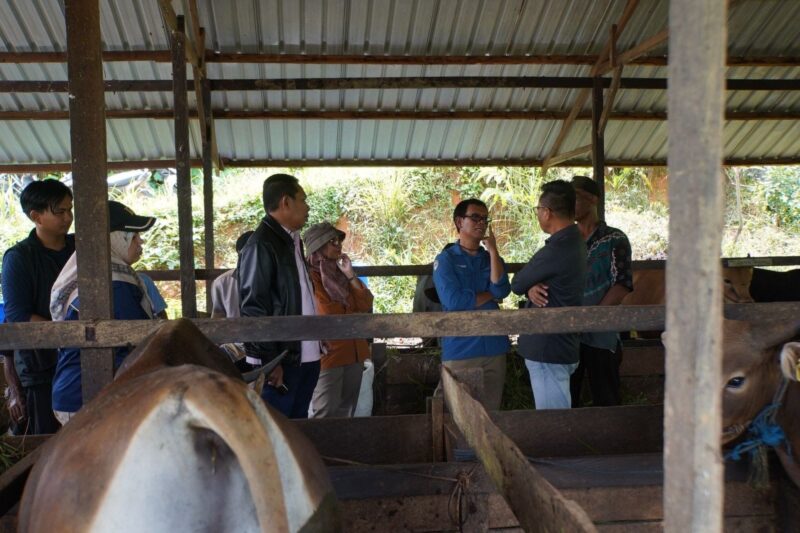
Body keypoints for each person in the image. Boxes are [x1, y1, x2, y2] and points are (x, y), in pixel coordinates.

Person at [49, 201, 157, 424]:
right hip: (88, 396)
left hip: (75, 391)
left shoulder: (98, 274)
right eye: (134, 236)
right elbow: (143, 340)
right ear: (116, 238)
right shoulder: (115, 283)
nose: (140, 241)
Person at [238, 173, 320, 419]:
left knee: (298, 423)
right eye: (303, 200)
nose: (307, 207)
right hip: (282, 361)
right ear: (286, 202)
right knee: (277, 427)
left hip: (303, 354)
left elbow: (300, 296)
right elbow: (254, 307)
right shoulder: (261, 244)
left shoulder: (291, 241)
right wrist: (270, 362)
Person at [1, 180, 75, 434]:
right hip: (41, 366)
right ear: (36, 216)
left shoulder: (82, 249)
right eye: (60, 211)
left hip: (80, 360)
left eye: (70, 209)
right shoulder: (19, 258)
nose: (69, 217)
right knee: (44, 440)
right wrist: (70, 334)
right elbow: (17, 314)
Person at [511, 180, 586, 410]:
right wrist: (533, 286)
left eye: (538, 210)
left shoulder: (555, 250)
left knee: (553, 421)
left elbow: (517, 283)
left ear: (547, 213)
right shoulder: (576, 243)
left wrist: (529, 284)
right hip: (563, 343)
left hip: (548, 347)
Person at [432, 199, 510, 410]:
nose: (481, 223)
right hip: (461, 348)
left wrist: (493, 252)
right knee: (461, 419)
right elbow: (453, 301)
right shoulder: (446, 260)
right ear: (459, 222)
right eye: (475, 217)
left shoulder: (490, 258)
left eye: (485, 218)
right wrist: (489, 294)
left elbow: (502, 290)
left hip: (495, 346)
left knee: (491, 414)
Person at [570, 176, 633, 406]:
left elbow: (622, 284)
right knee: (568, 397)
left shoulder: (614, 239)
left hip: (603, 334)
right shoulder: (565, 241)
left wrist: (594, 318)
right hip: (569, 333)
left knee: (606, 396)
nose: (571, 204)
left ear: (593, 199)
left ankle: (612, 439)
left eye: (575, 197)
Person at [303, 222, 374, 418]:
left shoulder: (341, 274)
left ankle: (340, 449)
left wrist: (350, 275)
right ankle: (318, 450)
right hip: (329, 354)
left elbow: (366, 303)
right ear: (318, 248)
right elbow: (326, 312)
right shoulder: (310, 278)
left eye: (338, 241)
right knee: (325, 412)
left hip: (355, 353)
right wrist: (352, 312)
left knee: (347, 412)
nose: (338, 245)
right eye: (331, 241)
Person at [210, 231, 254, 319]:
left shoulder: (276, 279)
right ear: (239, 254)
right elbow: (218, 316)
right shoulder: (221, 283)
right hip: (232, 331)